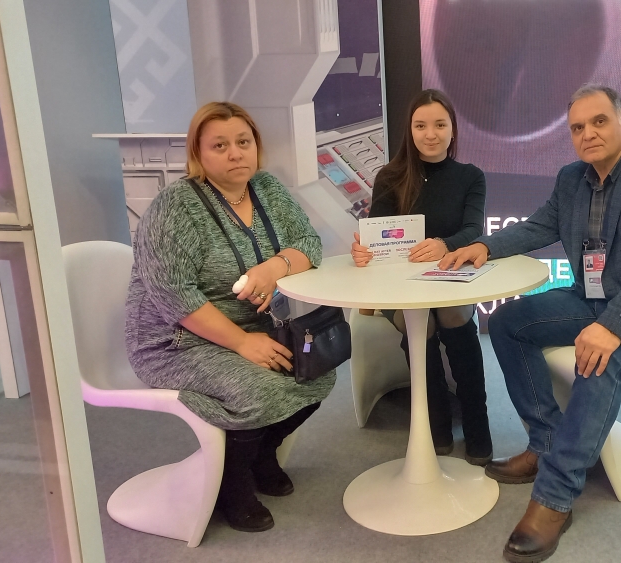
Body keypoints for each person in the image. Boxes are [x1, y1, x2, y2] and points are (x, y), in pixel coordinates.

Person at [441, 84, 621, 562]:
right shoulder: (572, 178)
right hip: (595, 298)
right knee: (508, 321)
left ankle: (555, 495)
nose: (588, 134)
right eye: (578, 127)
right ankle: (545, 441)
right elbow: (539, 226)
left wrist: (615, 324)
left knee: (600, 358)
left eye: (599, 121)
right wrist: (483, 246)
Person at [125, 102, 332, 533]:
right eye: (219, 146)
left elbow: (308, 243)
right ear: (198, 153)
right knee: (257, 390)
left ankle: (259, 454)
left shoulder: (266, 188)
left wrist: (274, 267)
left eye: (243, 141)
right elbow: (173, 295)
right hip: (177, 340)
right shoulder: (176, 207)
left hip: (254, 327)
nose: (235, 153)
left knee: (319, 372)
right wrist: (241, 343)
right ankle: (230, 484)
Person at [350, 89, 492, 464]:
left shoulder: (470, 177)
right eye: (421, 126)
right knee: (421, 321)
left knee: (452, 313)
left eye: (440, 125)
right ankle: (435, 424)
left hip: (448, 277)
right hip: (397, 286)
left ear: (453, 129)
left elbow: (473, 230)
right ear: (410, 131)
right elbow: (376, 234)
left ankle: (477, 424)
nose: (431, 134)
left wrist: (445, 245)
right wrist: (363, 249)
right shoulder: (390, 176)